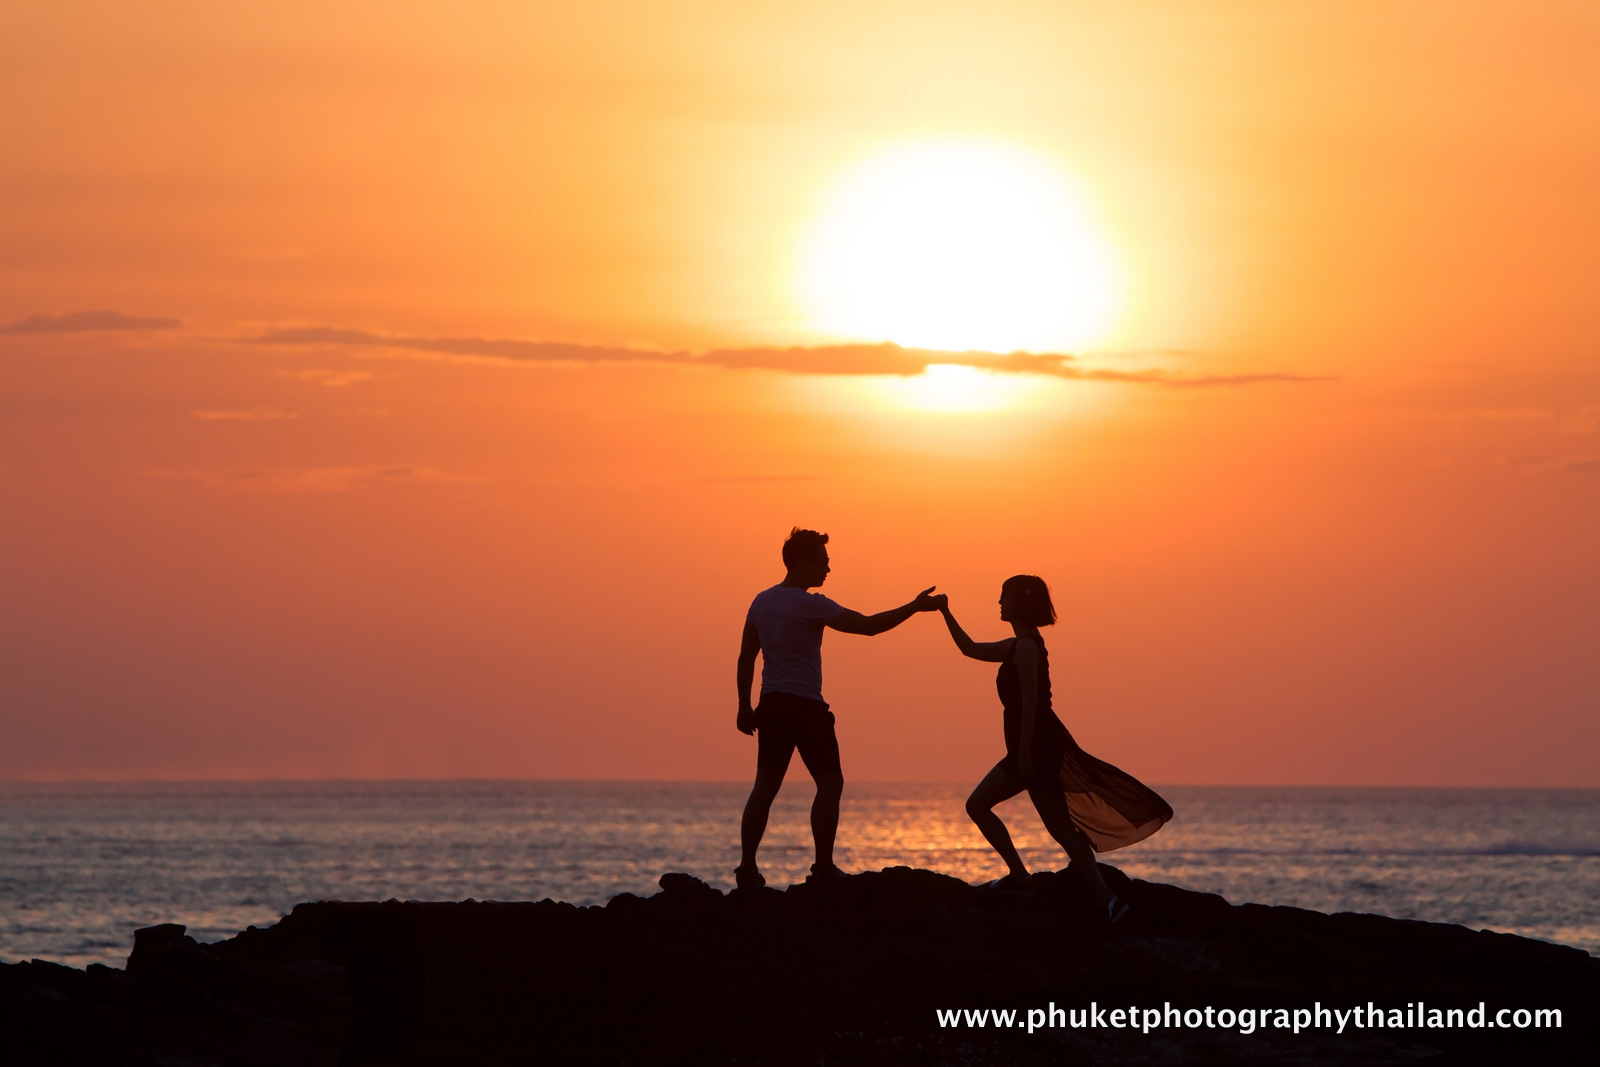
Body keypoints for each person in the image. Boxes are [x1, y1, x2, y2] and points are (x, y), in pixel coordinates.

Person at [936, 576, 1172, 921]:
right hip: (1026, 747)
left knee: (1043, 824)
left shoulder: (1028, 647)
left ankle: (1103, 898)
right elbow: (969, 649)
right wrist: (944, 611)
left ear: (1020, 602)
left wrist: (1026, 753)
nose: (999, 603)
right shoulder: (1017, 645)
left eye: (1004, 597)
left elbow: (1032, 702)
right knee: (1007, 813)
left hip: (1035, 746)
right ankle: (1032, 878)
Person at [735, 527, 942, 890]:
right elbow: (868, 627)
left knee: (765, 787)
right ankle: (823, 867)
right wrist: (914, 606)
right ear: (800, 562)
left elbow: (746, 657)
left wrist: (743, 706)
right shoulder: (813, 604)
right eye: (822, 562)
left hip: (771, 704)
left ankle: (747, 868)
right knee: (830, 782)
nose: (827, 570)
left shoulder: (761, 602)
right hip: (805, 707)